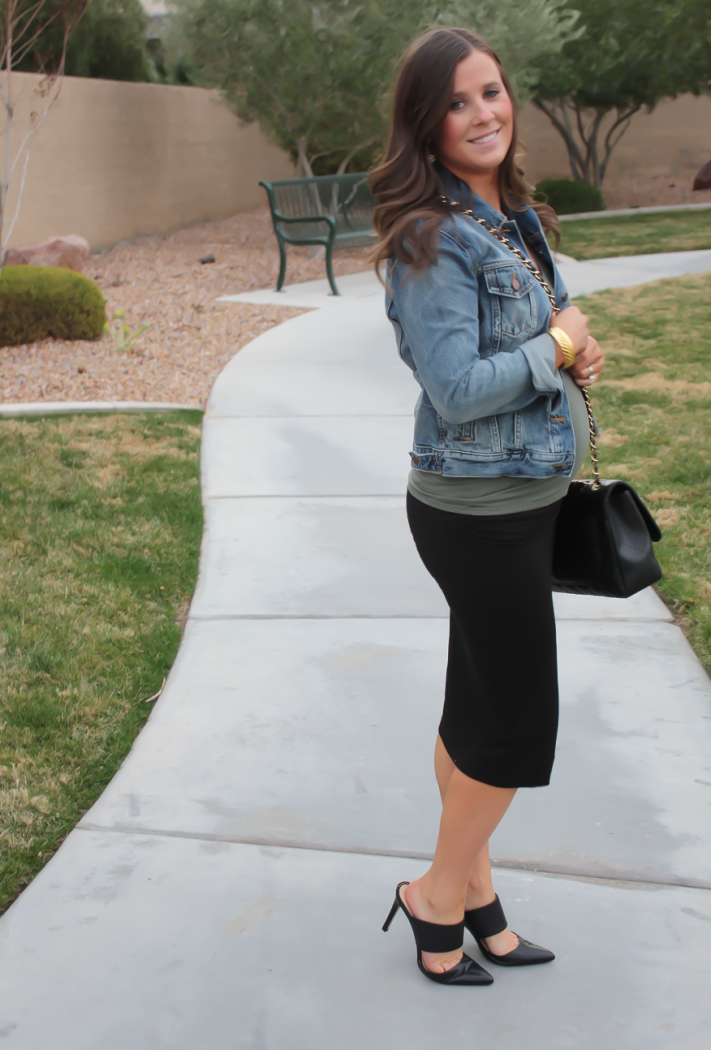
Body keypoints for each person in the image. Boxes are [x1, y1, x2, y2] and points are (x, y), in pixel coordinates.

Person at [372, 27, 605, 986]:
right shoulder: (431, 238)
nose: (485, 113)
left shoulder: (512, 215)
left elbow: (526, 340)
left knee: (475, 707)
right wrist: (553, 349)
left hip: (522, 504)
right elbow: (458, 386)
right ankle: (433, 891)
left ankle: (475, 893)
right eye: (459, 101)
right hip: (476, 516)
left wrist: (571, 355)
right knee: (512, 727)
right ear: (426, 126)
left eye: (493, 92)